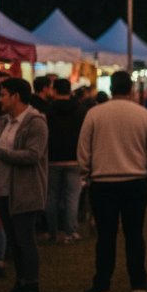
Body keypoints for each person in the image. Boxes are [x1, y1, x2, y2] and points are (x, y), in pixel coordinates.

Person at [78, 71, 147, 292]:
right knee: (135, 233)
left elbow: (84, 149)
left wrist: (86, 173)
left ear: (112, 88)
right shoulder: (143, 114)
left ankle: (102, 283)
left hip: (103, 181)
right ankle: (138, 281)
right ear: (130, 88)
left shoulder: (95, 114)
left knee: (105, 235)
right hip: (135, 180)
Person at [0, 78, 48, 292]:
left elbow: (33, 155)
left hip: (25, 191)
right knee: (14, 241)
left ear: (15, 96)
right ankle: (20, 283)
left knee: (25, 240)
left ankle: (31, 285)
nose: (0, 99)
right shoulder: (5, 122)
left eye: (3, 94)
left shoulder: (35, 122)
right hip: (4, 190)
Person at [44, 78, 86, 244]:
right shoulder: (80, 110)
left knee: (52, 196)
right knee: (72, 196)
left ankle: (52, 232)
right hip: (74, 159)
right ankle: (70, 231)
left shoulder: (48, 110)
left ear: (54, 90)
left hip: (53, 158)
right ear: (70, 91)